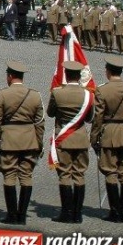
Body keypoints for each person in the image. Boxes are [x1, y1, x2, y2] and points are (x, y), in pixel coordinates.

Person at [0, 61, 44, 225]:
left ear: (10, 76)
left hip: (9, 141)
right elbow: (40, 123)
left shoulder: (2, 95)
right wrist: (39, 143)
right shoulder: (35, 95)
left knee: (9, 176)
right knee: (26, 176)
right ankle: (22, 215)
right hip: (29, 140)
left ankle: (12, 215)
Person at [91, 56, 123, 223]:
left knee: (110, 171)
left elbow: (98, 117)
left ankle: (115, 212)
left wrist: (94, 137)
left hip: (110, 134)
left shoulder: (102, 90)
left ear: (108, 71)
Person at [47, 60, 94, 224]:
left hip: (64, 139)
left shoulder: (57, 93)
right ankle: (77, 214)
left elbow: (51, 113)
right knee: (79, 174)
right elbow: (89, 118)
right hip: (80, 139)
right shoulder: (88, 95)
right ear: (79, 76)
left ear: (66, 75)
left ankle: (66, 213)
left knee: (65, 174)